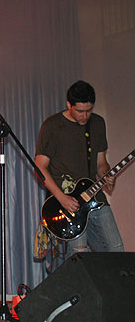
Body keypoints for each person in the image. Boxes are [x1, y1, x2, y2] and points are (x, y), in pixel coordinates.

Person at [35, 80, 124, 260]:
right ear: (69, 104)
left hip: (94, 195)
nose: (85, 116)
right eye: (80, 111)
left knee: (116, 249)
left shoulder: (97, 123)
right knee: (80, 254)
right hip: (68, 200)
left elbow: (101, 163)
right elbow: (40, 166)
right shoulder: (53, 125)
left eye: (89, 110)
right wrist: (61, 198)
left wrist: (107, 175)